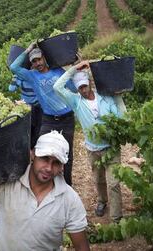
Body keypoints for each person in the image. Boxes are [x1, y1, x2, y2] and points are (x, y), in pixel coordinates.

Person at [0, 129, 90, 251]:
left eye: (56, 163)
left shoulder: (69, 199)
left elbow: (82, 246)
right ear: (33, 155)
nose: (48, 168)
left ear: (62, 167)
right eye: (45, 158)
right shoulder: (9, 180)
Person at [53, 60, 125, 222]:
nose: (84, 90)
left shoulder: (106, 97)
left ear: (90, 83)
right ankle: (101, 201)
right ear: (77, 89)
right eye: (80, 88)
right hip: (93, 149)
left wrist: (119, 97)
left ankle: (116, 217)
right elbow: (57, 87)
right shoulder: (76, 102)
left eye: (85, 86)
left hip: (111, 148)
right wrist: (74, 69)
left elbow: (122, 117)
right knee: (98, 179)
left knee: (113, 183)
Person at [10, 42, 76, 186]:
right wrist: (28, 50)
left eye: (39, 59)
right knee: (41, 151)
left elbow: (73, 88)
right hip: (48, 120)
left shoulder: (58, 71)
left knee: (67, 154)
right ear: (32, 64)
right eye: (34, 61)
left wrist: (73, 69)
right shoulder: (32, 76)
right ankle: (42, 183)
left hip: (67, 118)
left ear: (44, 58)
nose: (38, 63)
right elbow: (14, 67)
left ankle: (67, 185)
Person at [8, 74, 42, 148]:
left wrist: (15, 77)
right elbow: (11, 89)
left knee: (30, 132)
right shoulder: (37, 74)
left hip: (32, 107)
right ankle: (31, 152)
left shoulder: (21, 75)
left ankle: (31, 152)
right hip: (32, 107)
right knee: (35, 132)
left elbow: (11, 88)